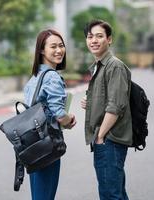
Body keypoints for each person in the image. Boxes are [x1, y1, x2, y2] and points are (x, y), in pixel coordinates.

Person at [81, 19, 132, 200]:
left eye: (99, 36)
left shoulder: (114, 66)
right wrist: (91, 103)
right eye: (90, 36)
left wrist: (101, 136)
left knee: (110, 195)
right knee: (116, 192)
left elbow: (116, 106)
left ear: (109, 40)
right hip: (106, 139)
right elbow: (108, 99)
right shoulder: (99, 66)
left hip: (110, 139)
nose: (93, 40)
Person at [24, 29, 76, 200]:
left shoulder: (35, 76)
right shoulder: (52, 77)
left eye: (61, 46)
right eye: (53, 46)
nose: (59, 50)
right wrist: (69, 120)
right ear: (41, 50)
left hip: (32, 145)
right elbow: (60, 115)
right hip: (47, 145)